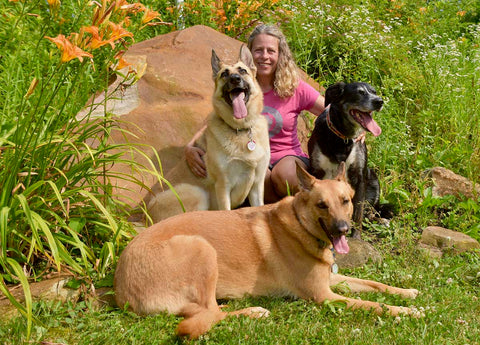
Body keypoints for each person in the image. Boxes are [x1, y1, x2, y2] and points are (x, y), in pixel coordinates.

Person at [185, 24, 326, 203]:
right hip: (252, 157)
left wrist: (355, 128)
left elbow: (329, 109)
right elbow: (213, 120)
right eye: (258, 50)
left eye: (271, 51)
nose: (265, 56)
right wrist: (189, 147)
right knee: (257, 178)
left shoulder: (293, 86)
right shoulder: (238, 86)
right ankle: (276, 216)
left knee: (285, 176)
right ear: (250, 56)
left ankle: (298, 211)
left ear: (279, 55)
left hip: (287, 156)